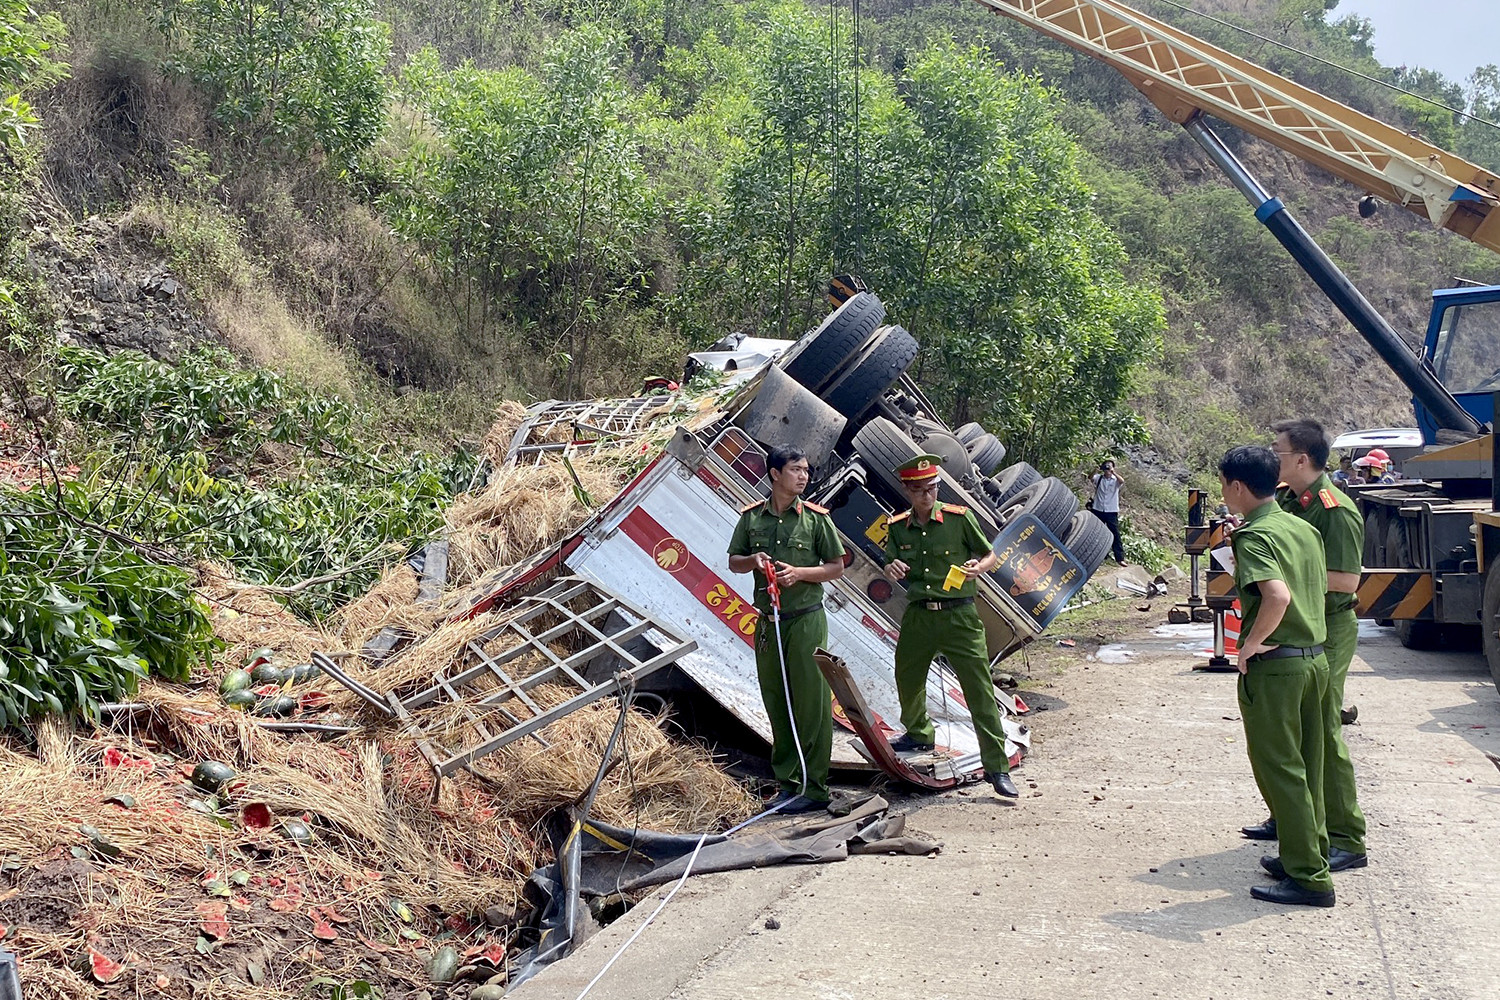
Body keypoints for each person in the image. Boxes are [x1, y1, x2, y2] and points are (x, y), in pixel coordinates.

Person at [1235, 421, 1369, 876]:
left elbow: (1347, 581)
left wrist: (1278, 577)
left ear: (1301, 459)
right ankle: (1294, 820)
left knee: (1322, 732)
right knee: (1289, 737)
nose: (1273, 458)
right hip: (1297, 623)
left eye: (1279, 451)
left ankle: (1346, 835)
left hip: (1325, 626)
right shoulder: (1289, 502)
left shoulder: (1335, 511)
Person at [1219, 444, 1335, 907]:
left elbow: (1277, 596)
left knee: (1281, 770)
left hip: (1278, 668)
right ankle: (1308, 854)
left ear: (1238, 486)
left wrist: (1248, 645)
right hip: (1314, 659)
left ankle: (1309, 878)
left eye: (1225, 485)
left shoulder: (1255, 537)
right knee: (1309, 766)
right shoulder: (1301, 527)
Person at [881, 454, 1019, 799]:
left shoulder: (959, 519)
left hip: (960, 615)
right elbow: (891, 562)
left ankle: (997, 767)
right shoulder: (898, 527)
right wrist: (891, 569)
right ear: (907, 491)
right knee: (907, 676)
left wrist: (979, 567)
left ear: (937, 487)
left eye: (931, 489)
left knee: (979, 689)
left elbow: (990, 554)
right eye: (918, 491)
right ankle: (919, 733)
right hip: (920, 614)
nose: (926, 496)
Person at [727, 444, 846, 814]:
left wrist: (799, 574)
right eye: (796, 469)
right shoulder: (751, 519)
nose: (804, 476)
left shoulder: (815, 519)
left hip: (806, 621)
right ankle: (788, 784)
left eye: (806, 470)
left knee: (811, 704)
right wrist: (754, 560)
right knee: (777, 701)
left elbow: (836, 566)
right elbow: (734, 562)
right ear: (775, 473)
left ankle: (815, 789)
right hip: (768, 623)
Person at [1089, 459, 1128, 565]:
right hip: (1098, 508)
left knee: (1115, 533)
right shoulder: (1099, 478)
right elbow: (1090, 478)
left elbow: (1122, 481)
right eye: (1105, 467)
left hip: (1111, 510)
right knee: (1097, 532)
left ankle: (1120, 558)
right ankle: (1100, 555)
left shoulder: (1115, 480)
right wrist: (1096, 469)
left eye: (1109, 467)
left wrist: (1113, 472)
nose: (1107, 469)